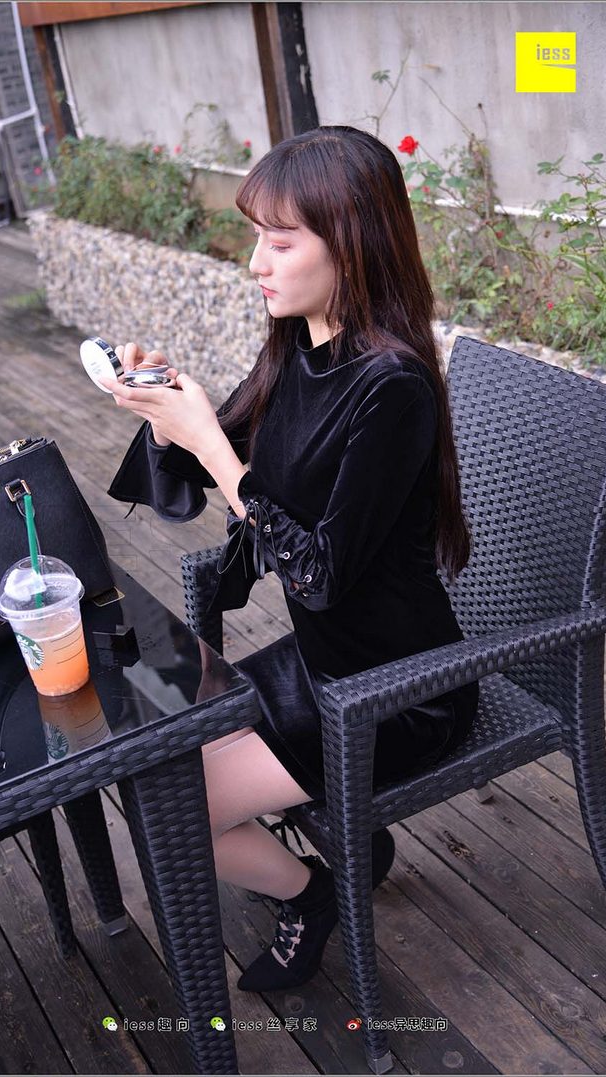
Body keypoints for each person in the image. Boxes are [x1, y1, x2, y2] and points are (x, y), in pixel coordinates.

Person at [104, 125, 480, 993]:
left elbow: (316, 574)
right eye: (256, 239)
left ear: (353, 244)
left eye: (280, 242)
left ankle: (310, 893)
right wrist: (167, 406)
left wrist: (210, 442)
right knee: (143, 750)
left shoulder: (392, 389)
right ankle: (344, 848)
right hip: (323, 664)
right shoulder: (299, 346)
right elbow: (210, 459)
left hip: (396, 691)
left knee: (169, 811)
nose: (256, 264)